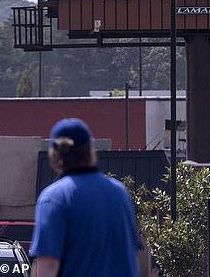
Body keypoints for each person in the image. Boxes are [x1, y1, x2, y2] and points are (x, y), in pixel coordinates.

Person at [30, 118, 140, 277]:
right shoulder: (120, 193)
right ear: (90, 150)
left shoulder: (53, 198)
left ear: (55, 153)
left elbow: (48, 265)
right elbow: (132, 255)